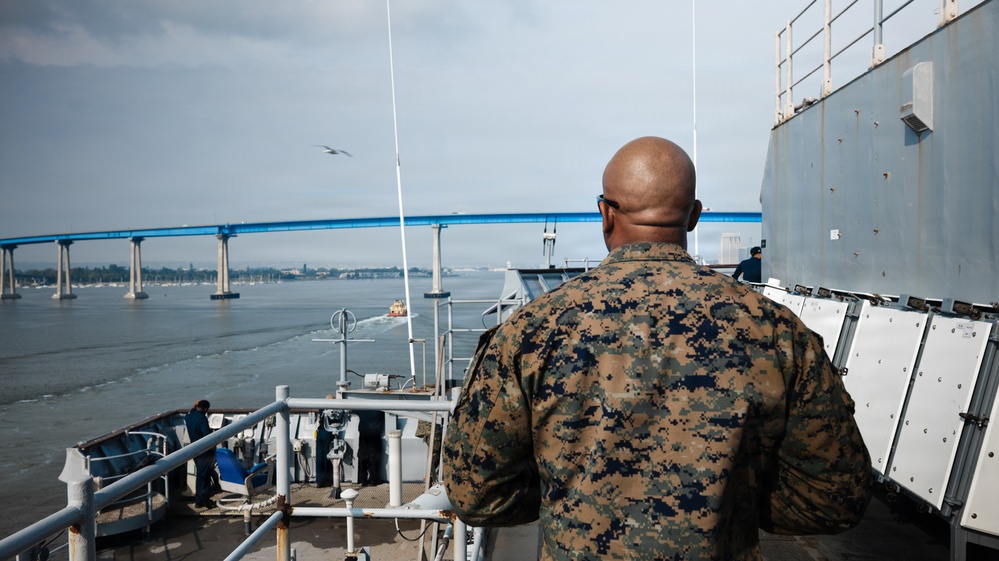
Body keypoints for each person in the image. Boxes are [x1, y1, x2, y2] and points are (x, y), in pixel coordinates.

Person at [442, 137, 871, 560]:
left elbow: (476, 494)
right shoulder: (777, 332)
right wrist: (727, 506)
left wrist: (569, 499)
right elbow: (834, 497)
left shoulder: (531, 332)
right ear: (694, 216)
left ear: (606, 214)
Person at [184, 399, 216, 509]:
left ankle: (201, 499)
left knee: (202, 474)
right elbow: (207, 436)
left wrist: (194, 406)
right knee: (204, 476)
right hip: (204, 451)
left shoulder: (188, 417)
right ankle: (201, 499)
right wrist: (213, 447)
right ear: (206, 409)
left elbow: (190, 412)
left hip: (194, 450)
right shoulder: (202, 418)